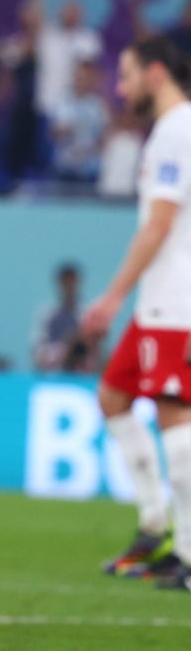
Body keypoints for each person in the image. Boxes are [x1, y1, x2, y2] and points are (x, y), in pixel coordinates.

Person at [81, 36, 191, 589]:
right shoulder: (168, 132)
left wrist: (111, 295)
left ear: (155, 72)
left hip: (178, 301)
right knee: (113, 394)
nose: (120, 89)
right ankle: (155, 527)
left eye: (125, 77)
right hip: (160, 302)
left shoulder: (178, 130)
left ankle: (188, 553)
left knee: (175, 413)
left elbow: (160, 225)